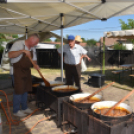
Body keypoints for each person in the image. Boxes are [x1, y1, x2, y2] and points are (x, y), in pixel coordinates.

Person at [8, 33, 39, 117]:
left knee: (26, 89)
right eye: (35, 42)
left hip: (27, 71)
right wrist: (22, 51)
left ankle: (24, 108)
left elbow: (34, 60)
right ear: (31, 39)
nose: (36, 44)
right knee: (19, 91)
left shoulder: (33, 48)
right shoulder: (18, 44)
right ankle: (16, 110)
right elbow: (10, 55)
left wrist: (35, 65)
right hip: (17, 71)